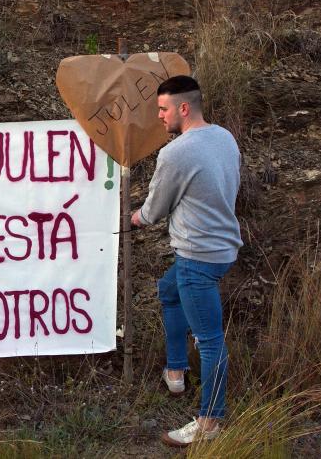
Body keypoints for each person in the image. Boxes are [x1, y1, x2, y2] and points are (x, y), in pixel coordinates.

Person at [131, 75, 243, 447]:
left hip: (198, 256)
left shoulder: (176, 152)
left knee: (210, 341)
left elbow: (156, 207)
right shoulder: (224, 137)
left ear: (183, 108)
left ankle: (210, 422)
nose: (159, 117)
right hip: (223, 248)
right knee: (168, 289)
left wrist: (138, 218)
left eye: (163, 109)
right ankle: (175, 369)